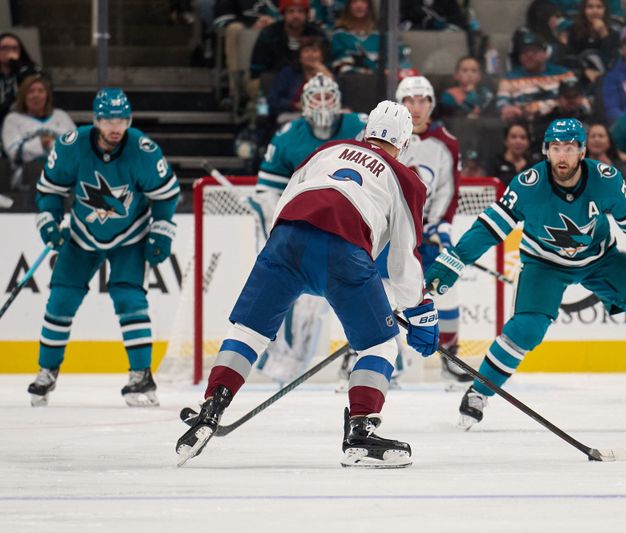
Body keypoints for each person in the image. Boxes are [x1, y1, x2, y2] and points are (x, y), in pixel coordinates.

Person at [176, 100, 439, 469]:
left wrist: (287, 260)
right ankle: (360, 432)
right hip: (343, 249)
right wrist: (420, 310)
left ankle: (211, 408)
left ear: (365, 134)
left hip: (285, 239)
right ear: (406, 143)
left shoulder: (327, 150)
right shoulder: (405, 177)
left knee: (249, 332)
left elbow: (286, 198)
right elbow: (404, 259)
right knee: (380, 345)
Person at [425, 118, 626, 431]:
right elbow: (488, 228)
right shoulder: (528, 185)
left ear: (582, 151)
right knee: (527, 329)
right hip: (545, 264)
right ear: (546, 151)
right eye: (556, 148)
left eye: (569, 148)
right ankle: (478, 392)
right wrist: (454, 261)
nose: (562, 156)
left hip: (600, 258)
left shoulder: (606, 179)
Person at [27, 88, 179, 407]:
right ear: (96, 120)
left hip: (130, 235)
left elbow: (166, 195)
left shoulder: (143, 149)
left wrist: (162, 232)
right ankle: (47, 370)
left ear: (129, 120)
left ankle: (140, 375)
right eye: (108, 119)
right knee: (61, 299)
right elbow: (49, 191)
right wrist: (49, 222)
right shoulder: (71, 146)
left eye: (122, 119)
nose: (115, 126)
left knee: (129, 299)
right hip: (82, 234)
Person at [247, 74, 367, 383]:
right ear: (304, 103)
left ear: (339, 101)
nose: (324, 105)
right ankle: (283, 359)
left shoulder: (361, 127)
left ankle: (369, 357)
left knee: (366, 291)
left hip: (350, 227)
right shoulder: (288, 136)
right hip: (304, 230)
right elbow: (266, 192)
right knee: (294, 297)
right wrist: (279, 225)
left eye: (329, 98)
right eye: (317, 98)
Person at [395, 75, 470, 384]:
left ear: (432, 104)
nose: (416, 107)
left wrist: (442, 225)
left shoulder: (446, 143)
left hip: (426, 235)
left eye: (423, 100)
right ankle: (384, 360)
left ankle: (449, 357)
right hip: (390, 234)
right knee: (383, 298)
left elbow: (448, 191)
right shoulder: (383, 136)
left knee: (446, 293)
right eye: (409, 101)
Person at [2, 74, 75, 187]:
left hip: (62, 180)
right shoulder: (13, 119)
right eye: (31, 91)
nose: (36, 95)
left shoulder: (61, 116)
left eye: (40, 91)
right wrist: (42, 143)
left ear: (47, 96)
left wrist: (52, 145)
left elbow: (77, 148)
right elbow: (14, 154)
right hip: (26, 182)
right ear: (24, 96)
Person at [497, 29, 580, 123]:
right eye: (524, 52)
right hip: (526, 125)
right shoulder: (508, 79)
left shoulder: (564, 74)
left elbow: (579, 101)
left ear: (545, 53)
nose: (529, 55)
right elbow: (503, 105)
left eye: (534, 51)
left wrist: (536, 107)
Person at [330, 0, 410, 76]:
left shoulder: (382, 33)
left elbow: (399, 58)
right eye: (354, 2)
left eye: (364, 1)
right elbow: (340, 65)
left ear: (369, 6)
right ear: (348, 7)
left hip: (382, 81)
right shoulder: (339, 35)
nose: (359, 5)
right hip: (352, 81)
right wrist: (368, 72)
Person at [266, 36, 333, 124]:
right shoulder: (288, 74)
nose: (310, 54)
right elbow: (273, 100)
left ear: (322, 56)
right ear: (300, 57)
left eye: (314, 50)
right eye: (306, 51)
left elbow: (338, 99)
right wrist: (294, 105)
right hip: (293, 116)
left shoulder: (329, 74)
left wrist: (326, 75)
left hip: (325, 117)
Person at [565, 0, 619, 84]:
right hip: (582, 75)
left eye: (599, 7)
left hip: (606, 75)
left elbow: (613, 57)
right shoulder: (574, 30)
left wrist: (603, 33)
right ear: (584, 10)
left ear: (605, 10)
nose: (595, 11)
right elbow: (570, 57)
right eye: (590, 7)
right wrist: (585, 70)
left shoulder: (613, 33)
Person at [0, 32, 42, 124]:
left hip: (28, 122)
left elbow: (38, 85)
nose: (10, 51)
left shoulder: (31, 70)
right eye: (4, 48)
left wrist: (17, 65)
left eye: (14, 48)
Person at [487, 121, 535, 186]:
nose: (518, 141)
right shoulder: (495, 163)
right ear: (506, 141)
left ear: (528, 143)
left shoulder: (533, 166)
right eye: (513, 137)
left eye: (523, 137)